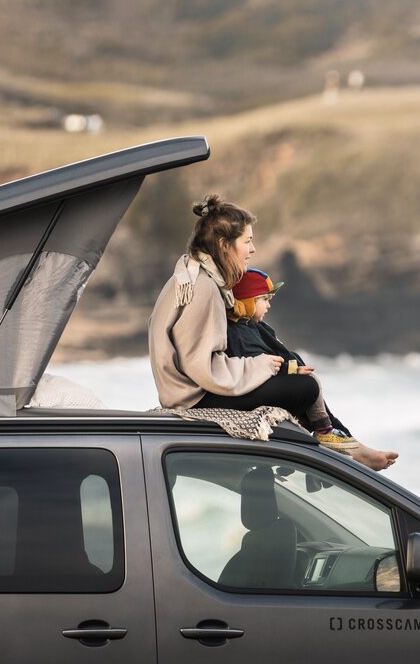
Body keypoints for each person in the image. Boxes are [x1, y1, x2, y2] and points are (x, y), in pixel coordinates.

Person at [148, 194, 396, 470]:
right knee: (305, 387)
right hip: (191, 397)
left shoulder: (196, 277)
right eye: (247, 241)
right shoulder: (203, 288)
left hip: (189, 388)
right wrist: (260, 366)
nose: (252, 249)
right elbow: (201, 365)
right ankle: (341, 451)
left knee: (296, 377)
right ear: (224, 245)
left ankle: (346, 447)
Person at [227, 267, 398, 470]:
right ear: (246, 301)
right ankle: (329, 436)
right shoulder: (239, 333)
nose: (269, 305)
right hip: (251, 388)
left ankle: (343, 440)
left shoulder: (255, 326)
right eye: (264, 299)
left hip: (266, 382)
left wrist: (293, 365)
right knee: (309, 385)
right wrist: (291, 371)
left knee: (314, 391)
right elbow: (257, 363)